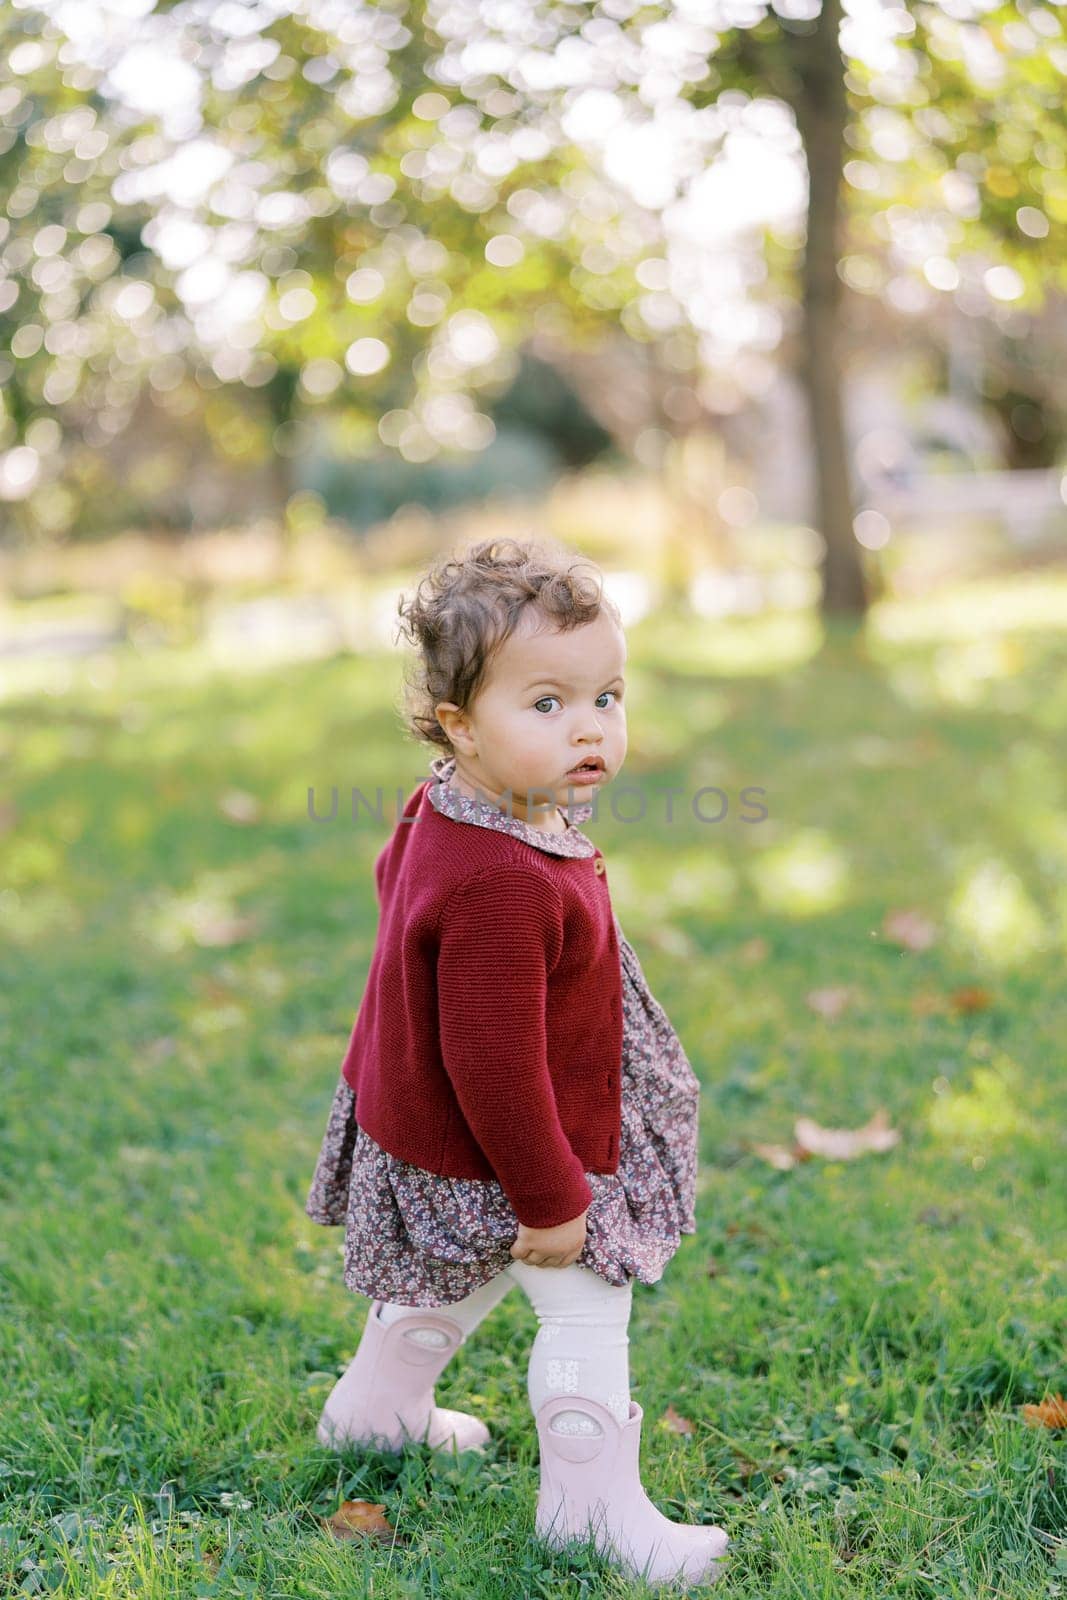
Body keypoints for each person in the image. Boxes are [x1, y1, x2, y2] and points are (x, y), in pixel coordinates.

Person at [304, 535, 729, 1587]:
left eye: (606, 696)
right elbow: (490, 1062)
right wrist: (549, 1198)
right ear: (459, 725)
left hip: (429, 1132)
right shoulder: (502, 879)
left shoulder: (453, 802)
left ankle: (374, 1413)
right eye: (545, 704)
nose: (588, 725)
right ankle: (588, 1511)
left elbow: (390, 878)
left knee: (454, 1273)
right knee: (586, 1295)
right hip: (507, 1146)